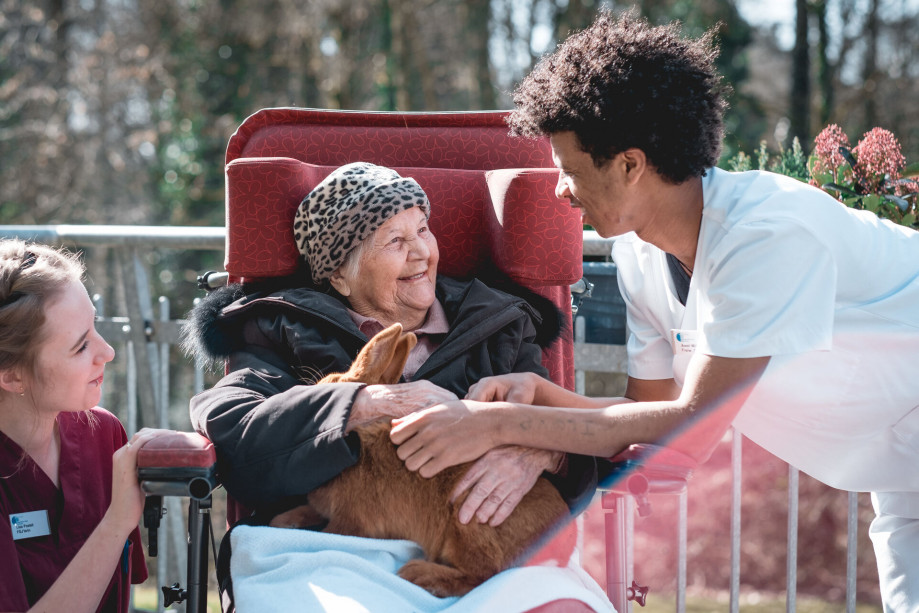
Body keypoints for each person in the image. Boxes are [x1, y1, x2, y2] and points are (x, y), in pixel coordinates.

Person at [388, 10, 919, 613]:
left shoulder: (767, 235)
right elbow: (652, 419)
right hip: (902, 473)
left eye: (569, 172)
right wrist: (542, 396)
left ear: (630, 166)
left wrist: (497, 427)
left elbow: (691, 423)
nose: (562, 192)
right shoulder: (639, 255)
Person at [185, 162, 609, 612]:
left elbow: (577, 439)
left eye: (423, 230)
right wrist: (361, 401)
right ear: (339, 275)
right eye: (395, 241)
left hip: (491, 559)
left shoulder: (498, 324)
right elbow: (234, 424)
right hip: (332, 553)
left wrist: (542, 447)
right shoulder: (283, 329)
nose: (421, 253)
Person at [0, 239, 160, 613]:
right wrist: (116, 522)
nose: (108, 352)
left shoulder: (104, 435)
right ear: (11, 376)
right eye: (80, 346)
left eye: (96, 326)